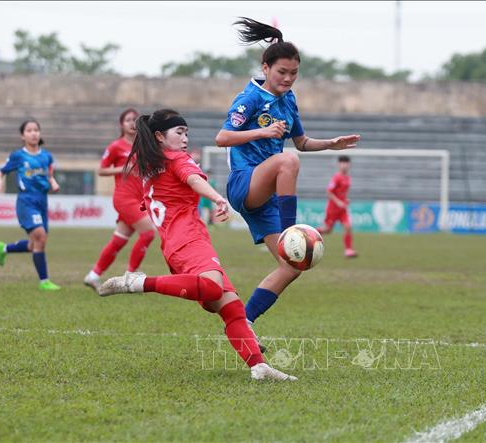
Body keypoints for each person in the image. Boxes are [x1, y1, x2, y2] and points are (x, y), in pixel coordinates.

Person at [98, 108, 296, 381]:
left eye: (186, 133)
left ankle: (258, 367)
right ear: (159, 136)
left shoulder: (150, 167)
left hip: (175, 245)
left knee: (230, 307)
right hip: (188, 239)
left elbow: (157, 200)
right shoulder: (177, 159)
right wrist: (217, 198)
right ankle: (138, 282)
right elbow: (192, 179)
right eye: (179, 132)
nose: (185, 138)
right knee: (213, 288)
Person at [214, 17, 360, 332]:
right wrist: (262, 132)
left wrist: (330, 144)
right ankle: (290, 231)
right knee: (287, 161)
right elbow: (222, 138)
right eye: (282, 72)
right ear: (265, 68)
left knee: (292, 266)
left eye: (294, 73)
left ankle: (243, 323)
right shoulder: (250, 98)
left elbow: (302, 142)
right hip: (244, 182)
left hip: (265, 196)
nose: (288, 78)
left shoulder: (289, 100)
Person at [84, 108, 156, 291]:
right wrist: (122, 169)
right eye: (128, 120)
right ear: (121, 124)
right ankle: (130, 276)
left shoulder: (143, 147)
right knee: (148, 233)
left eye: (135, 120)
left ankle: (93, 275)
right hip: (124, 198)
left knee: (119, 240)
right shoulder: (116, 146)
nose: (132, 123)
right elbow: (101, 170)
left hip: (139, 199)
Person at [0, 119, 62, 291]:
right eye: (29, 130)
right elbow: (1, 170)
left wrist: (53, 182)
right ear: (22, 136)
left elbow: (49, 175)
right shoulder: (18, 156)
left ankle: (4, 248)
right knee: (41, 237)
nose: (33, 133)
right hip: (26, 201)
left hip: (42, 201)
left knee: (35, 244)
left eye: (36, 130)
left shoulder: (47, 156)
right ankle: (44, 281)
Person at [316, 156, 358, 258]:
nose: (344, 165)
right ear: (339, 165)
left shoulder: (348, 178)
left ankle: (348, 250)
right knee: (327, 230)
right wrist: (338, 202)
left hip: (342, 209)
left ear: (349, 165)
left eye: (346, 163)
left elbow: (342, 193)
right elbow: (329, 192)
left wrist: (345, 200)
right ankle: (311, 234)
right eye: (342, 163)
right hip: (333, 209)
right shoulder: (336, 178)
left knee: (348, 227)